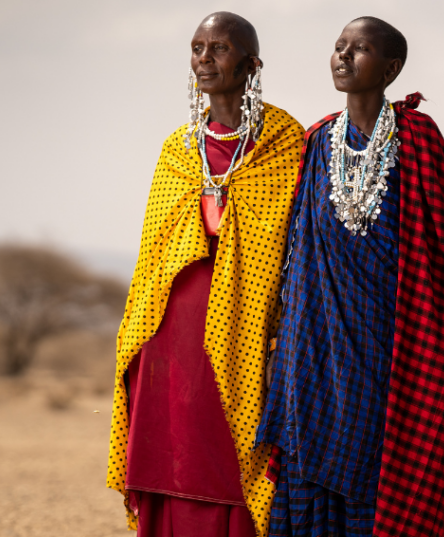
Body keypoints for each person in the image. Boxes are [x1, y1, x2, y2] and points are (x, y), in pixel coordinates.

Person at [256, 16, 444, 537]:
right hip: (313, 352)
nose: (343, 56)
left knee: (378, 472)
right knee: (307, 469)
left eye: (360, 49)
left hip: (390, 349)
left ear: (391, 68)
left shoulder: (419, 139)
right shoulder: (317, 141)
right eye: (339, 46)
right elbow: (296, 249)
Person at [106, 12, 305, 537]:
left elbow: (299, 243)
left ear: (251, 64)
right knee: (171, 452)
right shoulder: (177, 149)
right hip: (170, 331)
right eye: (197, 47)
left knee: (233, 454)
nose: (204, 58)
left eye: (219, 48)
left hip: (247, 328)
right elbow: (154, 254)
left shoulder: (286, 143)